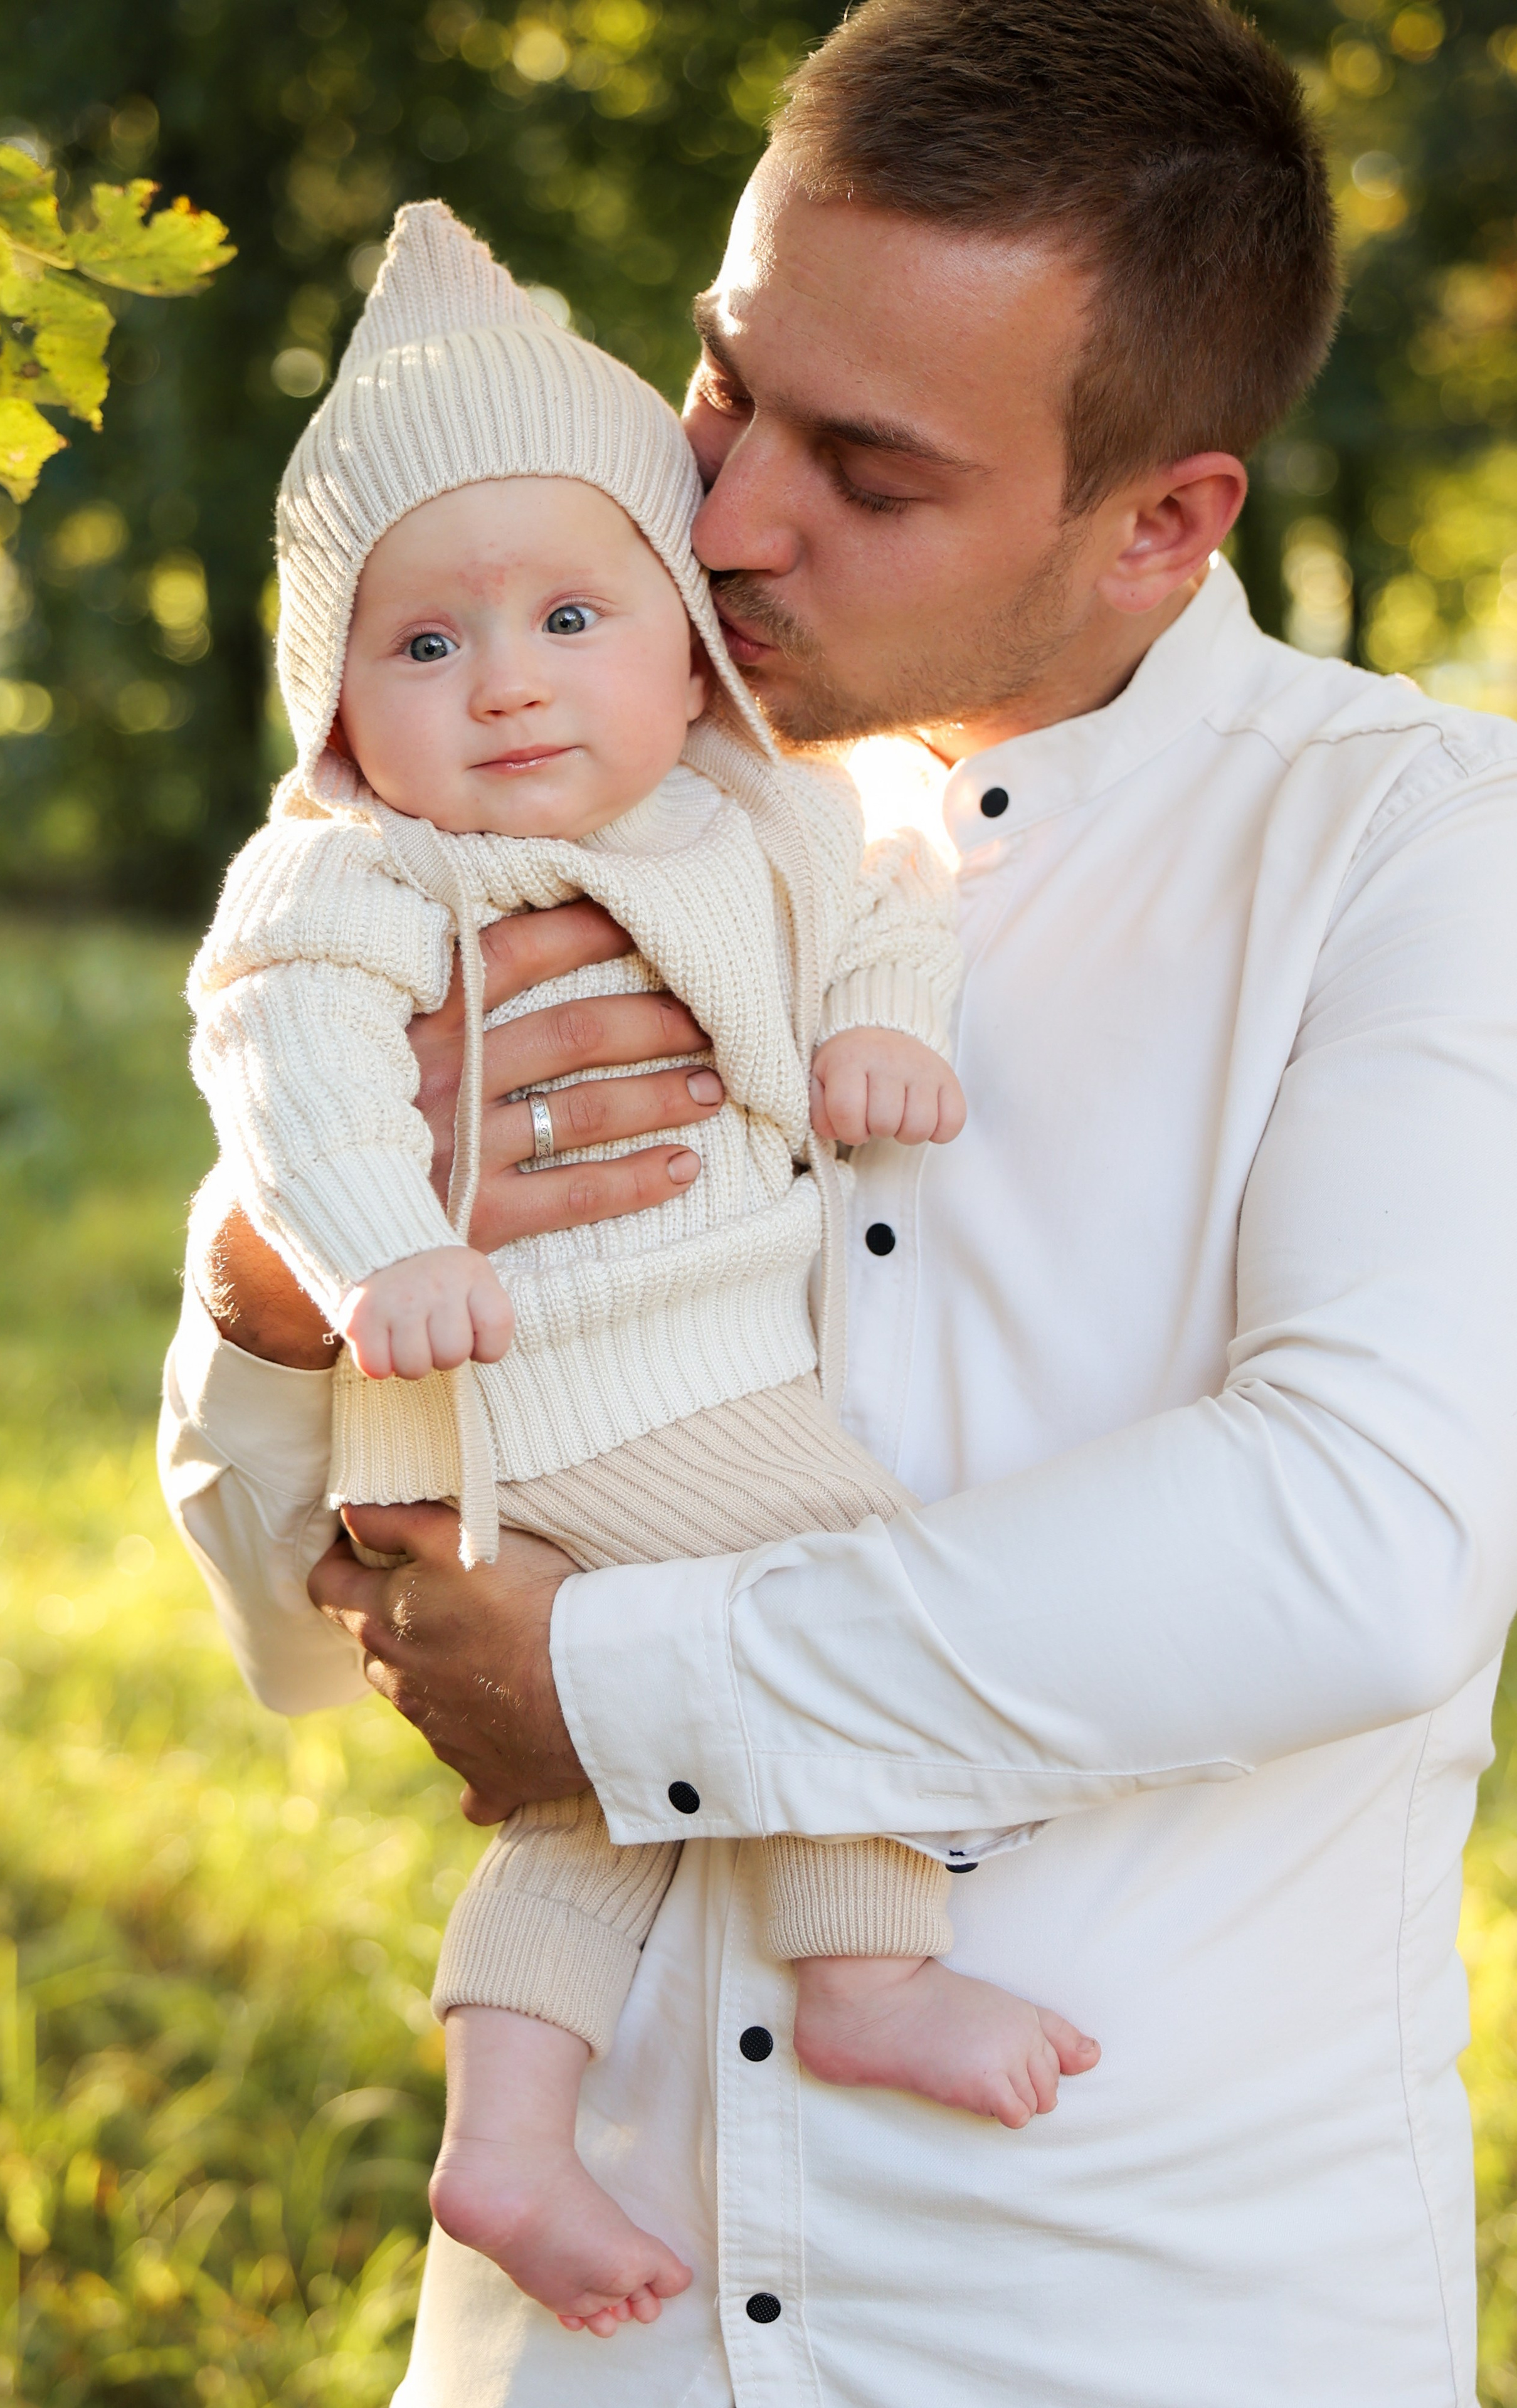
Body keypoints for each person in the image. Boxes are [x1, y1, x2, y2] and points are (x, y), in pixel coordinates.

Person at [160, 1, 1517, 2402]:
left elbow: (1361, 1541)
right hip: (595, 2336)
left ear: (1164, 520)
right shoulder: (525, 793)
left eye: (867, 474)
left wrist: (615, 1689)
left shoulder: (1420, 852)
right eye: (723, 390)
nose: (722, 523)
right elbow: (298, 1636)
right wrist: (283, 1290)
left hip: (1119, 2324)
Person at [183, 197, 1097, 2342]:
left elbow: (887, 899)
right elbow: (289, 1069)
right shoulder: (360, 877)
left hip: (662, 1370)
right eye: (425, 647)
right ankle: (870, 1970)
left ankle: (507, 2133)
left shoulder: (753, 811)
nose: (505, 679)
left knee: (607, 1796)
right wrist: (374, 1251)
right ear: (338, 712)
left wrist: (882, 1026)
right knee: (849, 1585)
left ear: (685, 642)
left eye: (571, 614)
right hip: (547, 1382)